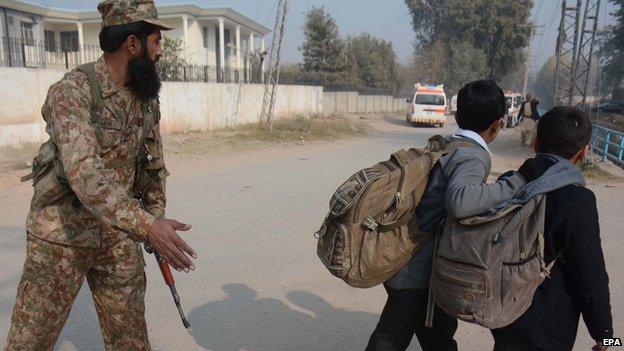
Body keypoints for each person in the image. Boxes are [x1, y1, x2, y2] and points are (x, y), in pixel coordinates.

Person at [5, 1, 197, 350]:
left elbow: (152, 164)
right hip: (60, 235)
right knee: (29, 342)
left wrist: (156, 222)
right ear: (132, 44)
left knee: (131, 341)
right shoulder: (73, 91)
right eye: (155, 41)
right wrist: (146, 225)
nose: (160, 51)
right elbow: (85, 174)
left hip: (118, 237)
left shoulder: (145, 98)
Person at [366, 80, 527, 351]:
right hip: (417, 275)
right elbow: (460, 202)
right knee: (390, 342)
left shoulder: (448, 143)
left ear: (456, 114)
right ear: (498, 124)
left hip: (416, 267)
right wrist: (511, 185)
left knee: (437, 337)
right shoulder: (473, 156)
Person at [491, 106, 613, 351]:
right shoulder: (578, 200)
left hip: (503, 315)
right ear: (583, 153)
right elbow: (589, 275)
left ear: (536, 143)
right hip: (548, 330)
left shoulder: (510, 182)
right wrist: (607, 336)